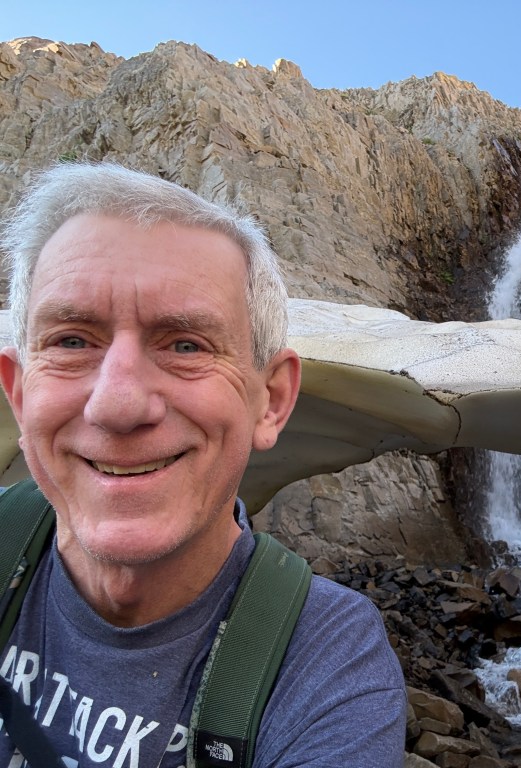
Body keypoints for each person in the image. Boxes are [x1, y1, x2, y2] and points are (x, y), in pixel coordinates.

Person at [0, 163, 406, 767]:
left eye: (186, 345)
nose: (117, 403)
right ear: (20, 390)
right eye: (72, 340)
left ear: (270, 400)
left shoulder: (327, 661)